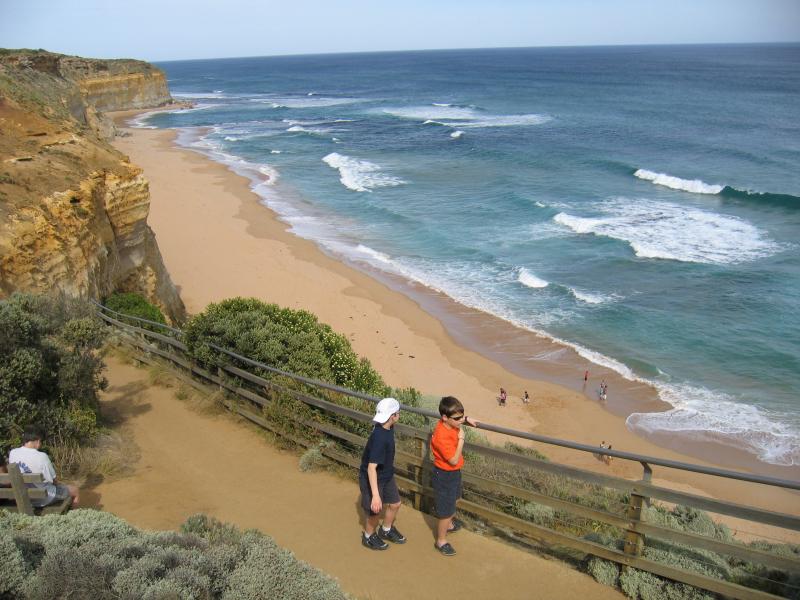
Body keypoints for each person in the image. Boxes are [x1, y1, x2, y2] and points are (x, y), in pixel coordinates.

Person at [431, 396, 479, 556]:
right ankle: (441, 540)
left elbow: (455, 418)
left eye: (462, 416)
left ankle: (449, 524)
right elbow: (452, 460)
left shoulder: (448, 422)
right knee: (446, 510)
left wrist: (466, 419)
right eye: (458, 418)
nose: (460, 421)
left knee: (455, 499)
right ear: (445, 417)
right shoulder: (441, 436)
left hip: (454, 473)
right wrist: (461, 440)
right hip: (444, 474)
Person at [359, 397, 406, 550]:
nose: (399, 415)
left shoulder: (387, 427)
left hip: (386, 474)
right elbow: (371, 468)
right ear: (393, 416)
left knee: (395, 503)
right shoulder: (380, 437)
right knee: (375, 511)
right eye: (397, 413)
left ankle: (385, 529)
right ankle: (368, 536)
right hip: (373, 478)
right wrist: (376, 496)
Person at [8, 428, 79, 507]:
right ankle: (73, 515)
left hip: (21, 497)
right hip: (43, 498)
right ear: (38, 440)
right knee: (75, 490)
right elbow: (53, 481)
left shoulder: (13, 452)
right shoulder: (42, 456)